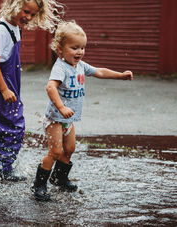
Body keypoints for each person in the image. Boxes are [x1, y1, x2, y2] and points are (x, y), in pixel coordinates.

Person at [31, 20, 133, 201]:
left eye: (82, 48)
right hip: (55, 118)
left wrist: (120, 76)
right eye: (74, 48)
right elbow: (50, 88)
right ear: (60, 49)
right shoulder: (60, 67)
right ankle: (39, 186)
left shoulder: (80, 66)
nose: (80, 52)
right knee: (55, 153)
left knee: (69, 149)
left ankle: (59, 179)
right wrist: (61, 107)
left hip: (68, 120)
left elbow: (99, 71)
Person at [0, 0, 64, 182]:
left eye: (32, 14)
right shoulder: (2, 31)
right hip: (0, 86)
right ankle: (1, 169)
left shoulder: (15, 28)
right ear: (14, 4)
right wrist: (3, 89)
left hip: (10, 84)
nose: (28, 17)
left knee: (8, 125)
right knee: (14, 126)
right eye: (26, 11)